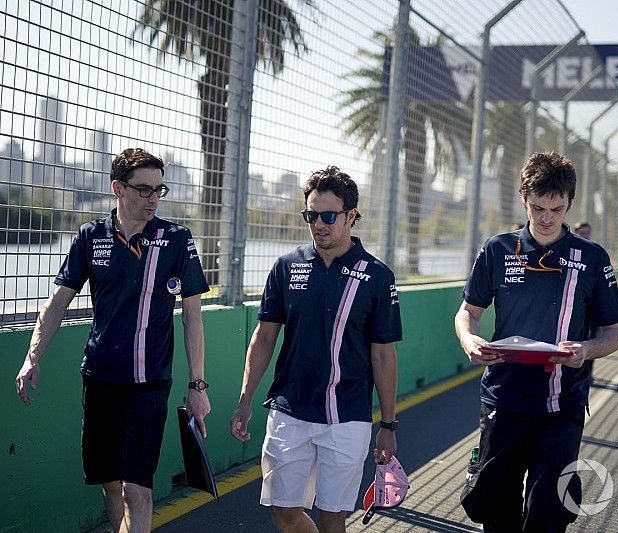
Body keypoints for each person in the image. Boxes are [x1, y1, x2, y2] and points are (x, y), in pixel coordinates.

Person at [15, 148, 211, 533]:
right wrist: (32, 356)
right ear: (117, 188)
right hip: (100, 379)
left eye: (160, 189)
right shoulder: (90, 237)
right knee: (110, 485)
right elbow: (57, 303)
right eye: (143, 189)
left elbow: (192, 315)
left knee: (139, 487)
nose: (153, 197)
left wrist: (197, 384)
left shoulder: (177, 239)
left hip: (149, 383)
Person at [454, 151, 618, 532]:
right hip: (504, 398)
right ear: (523, 199)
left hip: (562, 404)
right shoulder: (497, 249)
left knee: (549, 514)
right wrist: (469, 339)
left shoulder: (592, 258)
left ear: (568, 203)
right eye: (538, 207)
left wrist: (586, 350)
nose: (546, 218)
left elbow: (615, 334)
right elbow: (467, 312)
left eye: (557, 208)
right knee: (494, 508)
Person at [230, 165, 402, 533]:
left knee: (332, 517)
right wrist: (245, 400)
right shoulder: (285, 267)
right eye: (311, 215)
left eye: (328, 216)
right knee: (283, 513)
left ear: (351, 215)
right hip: (289, 411)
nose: (318, 224)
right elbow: (263, 336)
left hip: (348, 415)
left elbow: (383, 356)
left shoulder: (377, 276)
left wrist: (388, 424)